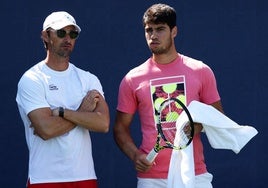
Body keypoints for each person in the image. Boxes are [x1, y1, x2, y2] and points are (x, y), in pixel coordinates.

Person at [113, 3, 223, 188]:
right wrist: (135, 155)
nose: (153, 36)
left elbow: (217, 117)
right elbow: (120, 128)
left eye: (160, 29)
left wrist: (195, 127)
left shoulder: (201, 71)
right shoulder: (132, 79)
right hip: (152, 178)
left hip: (195, 175)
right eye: (149, 30)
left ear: (174, 31)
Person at [16, 11, 110, 188]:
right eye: (61, 33)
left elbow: (103, 124)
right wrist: (83, 112)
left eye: (72, 34)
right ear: (45, 35)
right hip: (44, 179)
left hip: (85, 177)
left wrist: (61, 113)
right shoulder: (32, 79)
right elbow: (46, 130)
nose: (67, 39)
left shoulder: (88, 79)